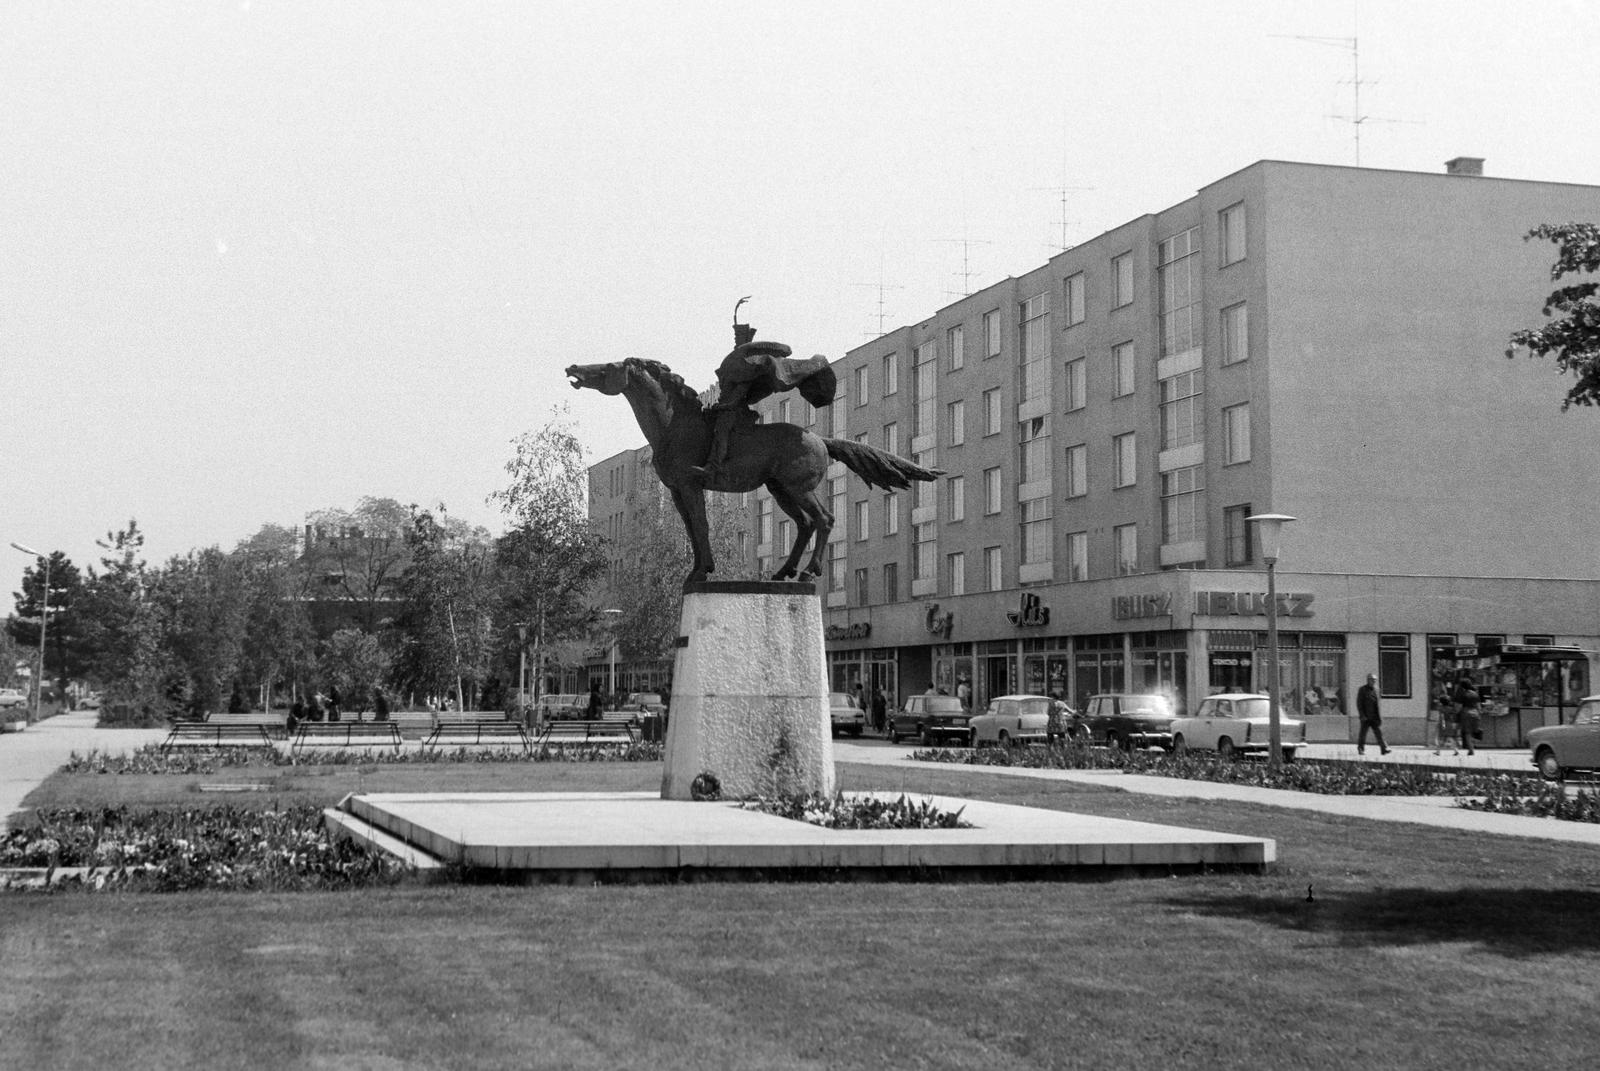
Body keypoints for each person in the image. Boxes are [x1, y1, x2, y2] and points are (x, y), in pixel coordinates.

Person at [700, 313, 837, 483]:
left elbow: (737, 396)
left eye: (740, 339)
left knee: (722, 429)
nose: (738, 343)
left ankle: (714, 466)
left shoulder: (743, 365)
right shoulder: (737, 361)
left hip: (734, 411)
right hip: (728, 406)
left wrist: (723, 407)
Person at [1356, 673, 1390, 755]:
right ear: (1368, 680)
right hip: (1366, 716)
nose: (1373, 681)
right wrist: (1362, 715)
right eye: (1372, 680)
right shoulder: (1362, 689)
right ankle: (1361, 749)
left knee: (1379, 733)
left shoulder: (1377, 690)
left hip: (1375, 716)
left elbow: (1378, 704)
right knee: (1363, 734)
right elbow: (1359, 703)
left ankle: (1384, 748)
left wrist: (1379, 717)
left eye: (1375, 680)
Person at [1453, 675, 1481, 756]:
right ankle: (1472, 745)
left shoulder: (1462, 694)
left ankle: (1471, 750)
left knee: (1467, 733)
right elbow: (1479, 707)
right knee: (1474, 731)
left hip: (1466, 713)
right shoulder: (1475, 694)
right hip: (1475, 713)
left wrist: (1455, 713)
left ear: (1462, 686)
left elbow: (1459, 708)